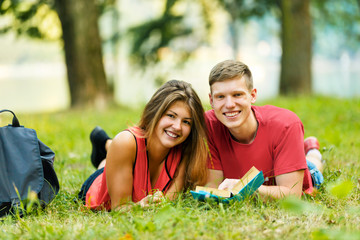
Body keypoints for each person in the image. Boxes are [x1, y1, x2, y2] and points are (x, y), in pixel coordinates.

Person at [78, 80, 208, 210]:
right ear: (155, 112)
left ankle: (105, 144)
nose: (177, 127)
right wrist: (140, 206)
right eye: (171, 116)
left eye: (186, 122)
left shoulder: (185, 149)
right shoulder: (125, 142)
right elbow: (119, 208)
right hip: (100, 188)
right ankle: (107, 144)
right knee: (112, 158)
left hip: (125, 158)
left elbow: (169, 201)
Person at [205, 60, 324, 199]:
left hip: (299, 173)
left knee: (313, 166)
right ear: (211, 100)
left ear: (253, 95)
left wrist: (245, 188)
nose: (229, 104)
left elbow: (292, 195)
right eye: (220, 97)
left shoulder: (285, 124)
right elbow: (213, 187)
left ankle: (313, 151)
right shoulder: (207, 125)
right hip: (258, 177)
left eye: (237, 95)